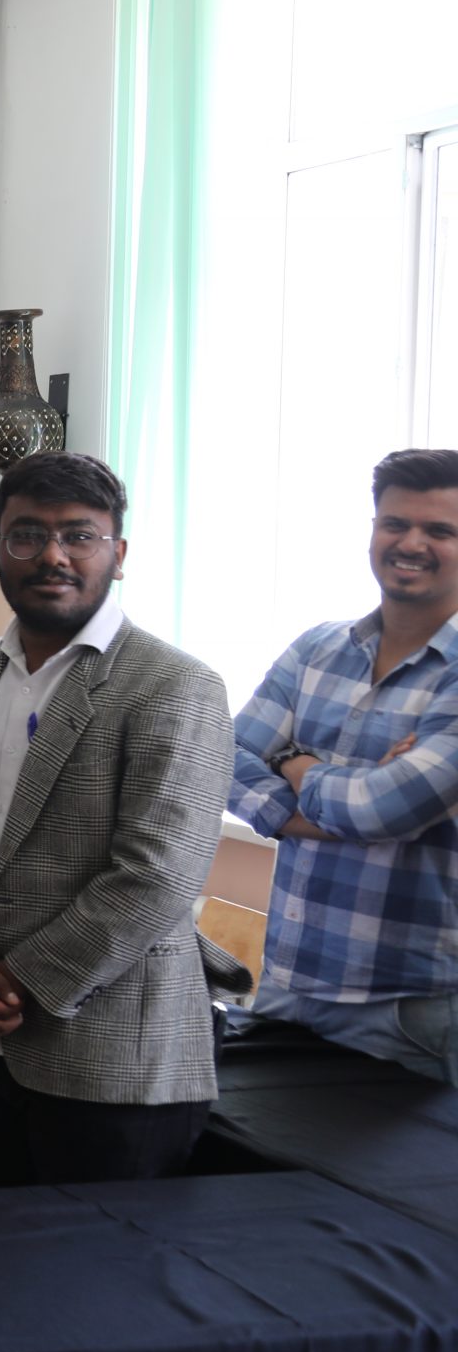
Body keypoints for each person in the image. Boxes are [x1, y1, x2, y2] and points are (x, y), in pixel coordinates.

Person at [0, 453, 236, 1184]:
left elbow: (156, 877)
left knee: (100, 1260)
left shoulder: (175, 685)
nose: (52, 555)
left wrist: (9, 987)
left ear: (119, 554)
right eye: (27, 535)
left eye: (79, 536)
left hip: (110, 1061)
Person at [230, 448, 458, 1081]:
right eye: (395, 524)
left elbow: (381, 810)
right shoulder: (318, 648)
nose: (411, 543)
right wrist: (329, 800)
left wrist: (292, 761)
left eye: (440, 530)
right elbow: (218, 758)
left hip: (407, 1010)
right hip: (286, 982)